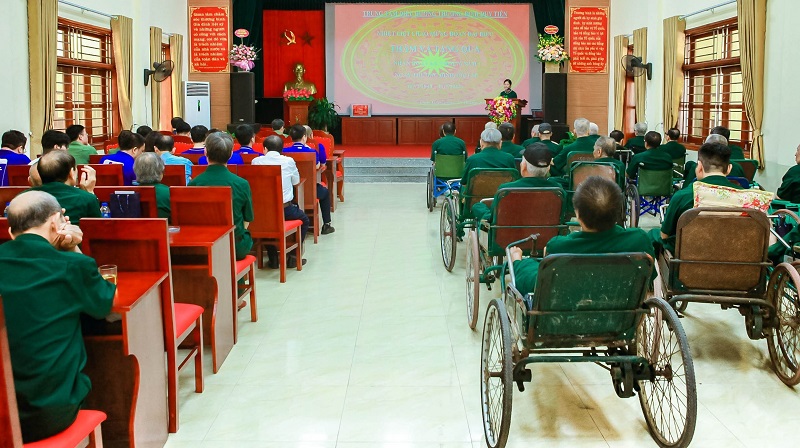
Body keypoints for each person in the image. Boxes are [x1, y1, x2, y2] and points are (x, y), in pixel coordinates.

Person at [0, 191, 115, 443]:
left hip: (3, 414)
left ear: (11, 232)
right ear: (55, 223)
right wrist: (73, 247)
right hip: (46, 414)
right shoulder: (71, 266)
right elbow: (104, 303)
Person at [509, 176, 655, 294]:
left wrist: (518, 262)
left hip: (569, 315)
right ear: (619, 211)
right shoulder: (639, 240)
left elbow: (534, 285)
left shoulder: (559, 247)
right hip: (623, 316)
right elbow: (648, 281)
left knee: (528, 266)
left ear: (577, 215)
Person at [652, 141, 743, 254]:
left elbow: (664, 235)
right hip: (735, 254)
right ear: (729, 168)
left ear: (699, 166)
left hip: (689, 257)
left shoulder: (683, 196)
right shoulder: (748, 198)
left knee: (653, 234)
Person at [189, 132, 254, 260]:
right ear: (231, 154)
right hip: (235, 247)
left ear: (205, 152)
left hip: (202, 246)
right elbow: (248, 218)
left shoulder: (194, 183)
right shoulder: (242, 184)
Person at [252, 135, 310, 268]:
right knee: (305, 220)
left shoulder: (256, 161)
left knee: (264, 223)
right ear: (281, 149)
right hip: (285, 209)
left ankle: (273, 256)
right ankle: (294, 257)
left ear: (264, 149)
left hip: (263, 211)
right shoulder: (288, 161)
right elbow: (296, 181)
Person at [471, 143, 565, 221]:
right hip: (547, 236)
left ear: (523, 167)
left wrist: (479, 207)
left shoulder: (506, 190)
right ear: (548, 169)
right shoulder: (558, 190)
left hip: (510, 237)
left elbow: (492, 218)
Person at [282, 124, 334, 235]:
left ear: (291, 137)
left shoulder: (284, 151)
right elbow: (317, 166)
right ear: (305, 137)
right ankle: (327, 224)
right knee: (325, 192)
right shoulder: (311, 152)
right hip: (310, 191)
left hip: (290, 192)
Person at [30, 151, 100, 224]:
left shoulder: (25, 196)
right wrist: (90, 193)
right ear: (71, 173)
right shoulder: (87, 198)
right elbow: (98, 226)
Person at [133, 152, 170, 220]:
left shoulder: (130, 193)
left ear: (136, 171)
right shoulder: (169, 193)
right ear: (161, 171)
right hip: (163, 226)